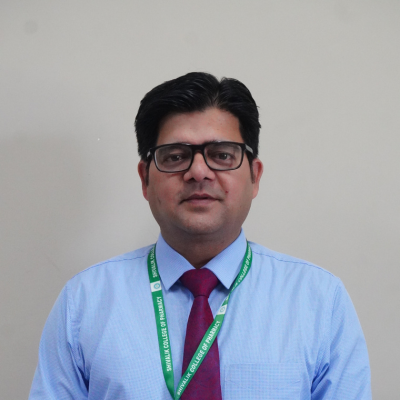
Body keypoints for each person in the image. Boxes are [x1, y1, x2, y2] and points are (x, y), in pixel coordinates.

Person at [29, 72, 372, 400]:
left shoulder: (319, 301)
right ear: (145, 179)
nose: (198, 172)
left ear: (255, 176)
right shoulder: (85, 302)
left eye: (221, 155)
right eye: (175, 157)